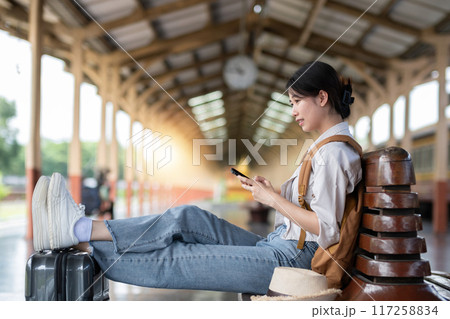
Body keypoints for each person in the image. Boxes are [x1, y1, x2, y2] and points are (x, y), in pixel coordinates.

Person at [31, 61, 361, 295]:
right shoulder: (326, 148)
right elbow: (318, 212)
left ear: (321, 97)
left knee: (178, 259)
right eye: (290, 103)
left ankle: (79, 237)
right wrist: (276, 194)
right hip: (280, 245)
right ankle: (83, 229)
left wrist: (273, 200)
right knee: (187, 216)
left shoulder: (333, 153)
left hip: (292, 259)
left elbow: (327, 229)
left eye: (297, 101)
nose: (292, 111)